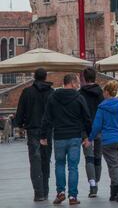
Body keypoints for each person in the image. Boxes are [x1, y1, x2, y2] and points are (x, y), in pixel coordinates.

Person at [40, 74, 91, 205]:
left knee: (60, 164)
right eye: (78, 82)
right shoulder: (79, 98)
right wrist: (88, 137)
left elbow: (47, 118)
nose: (79, 84)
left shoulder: (53, 97)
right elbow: (86, 118)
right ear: (72, 83)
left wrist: (43, 136)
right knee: (73, 167)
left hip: (59, 137)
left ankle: (60, 192)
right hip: (75, 137)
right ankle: (73, 196)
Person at [85, 80, 118, 202]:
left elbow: (97, 126)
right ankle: (113, 193)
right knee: (116, 166)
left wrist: (90, 139)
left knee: (113, 166)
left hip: (108, 141)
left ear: (107, 92)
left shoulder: (102, 107)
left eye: (104, 91)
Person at [15, 68, 54, 202]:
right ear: (45, 77)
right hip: (47, 131)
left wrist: (20, 124)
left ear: (34, 77)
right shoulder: (51, 92)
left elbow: (20, 111)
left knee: (35, 160)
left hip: (33, 130)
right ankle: (46, 189)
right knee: (46, 159)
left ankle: (39, 193)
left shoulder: (27, 92)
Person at [79, 68, 104, 197]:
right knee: (98, 155)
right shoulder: (100, 92)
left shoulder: (80, 93)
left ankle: (92, 184)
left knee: (88, 157)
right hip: (98, 128)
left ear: (84, 78)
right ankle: (97, 180)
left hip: (85, 130)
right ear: (95, 77)